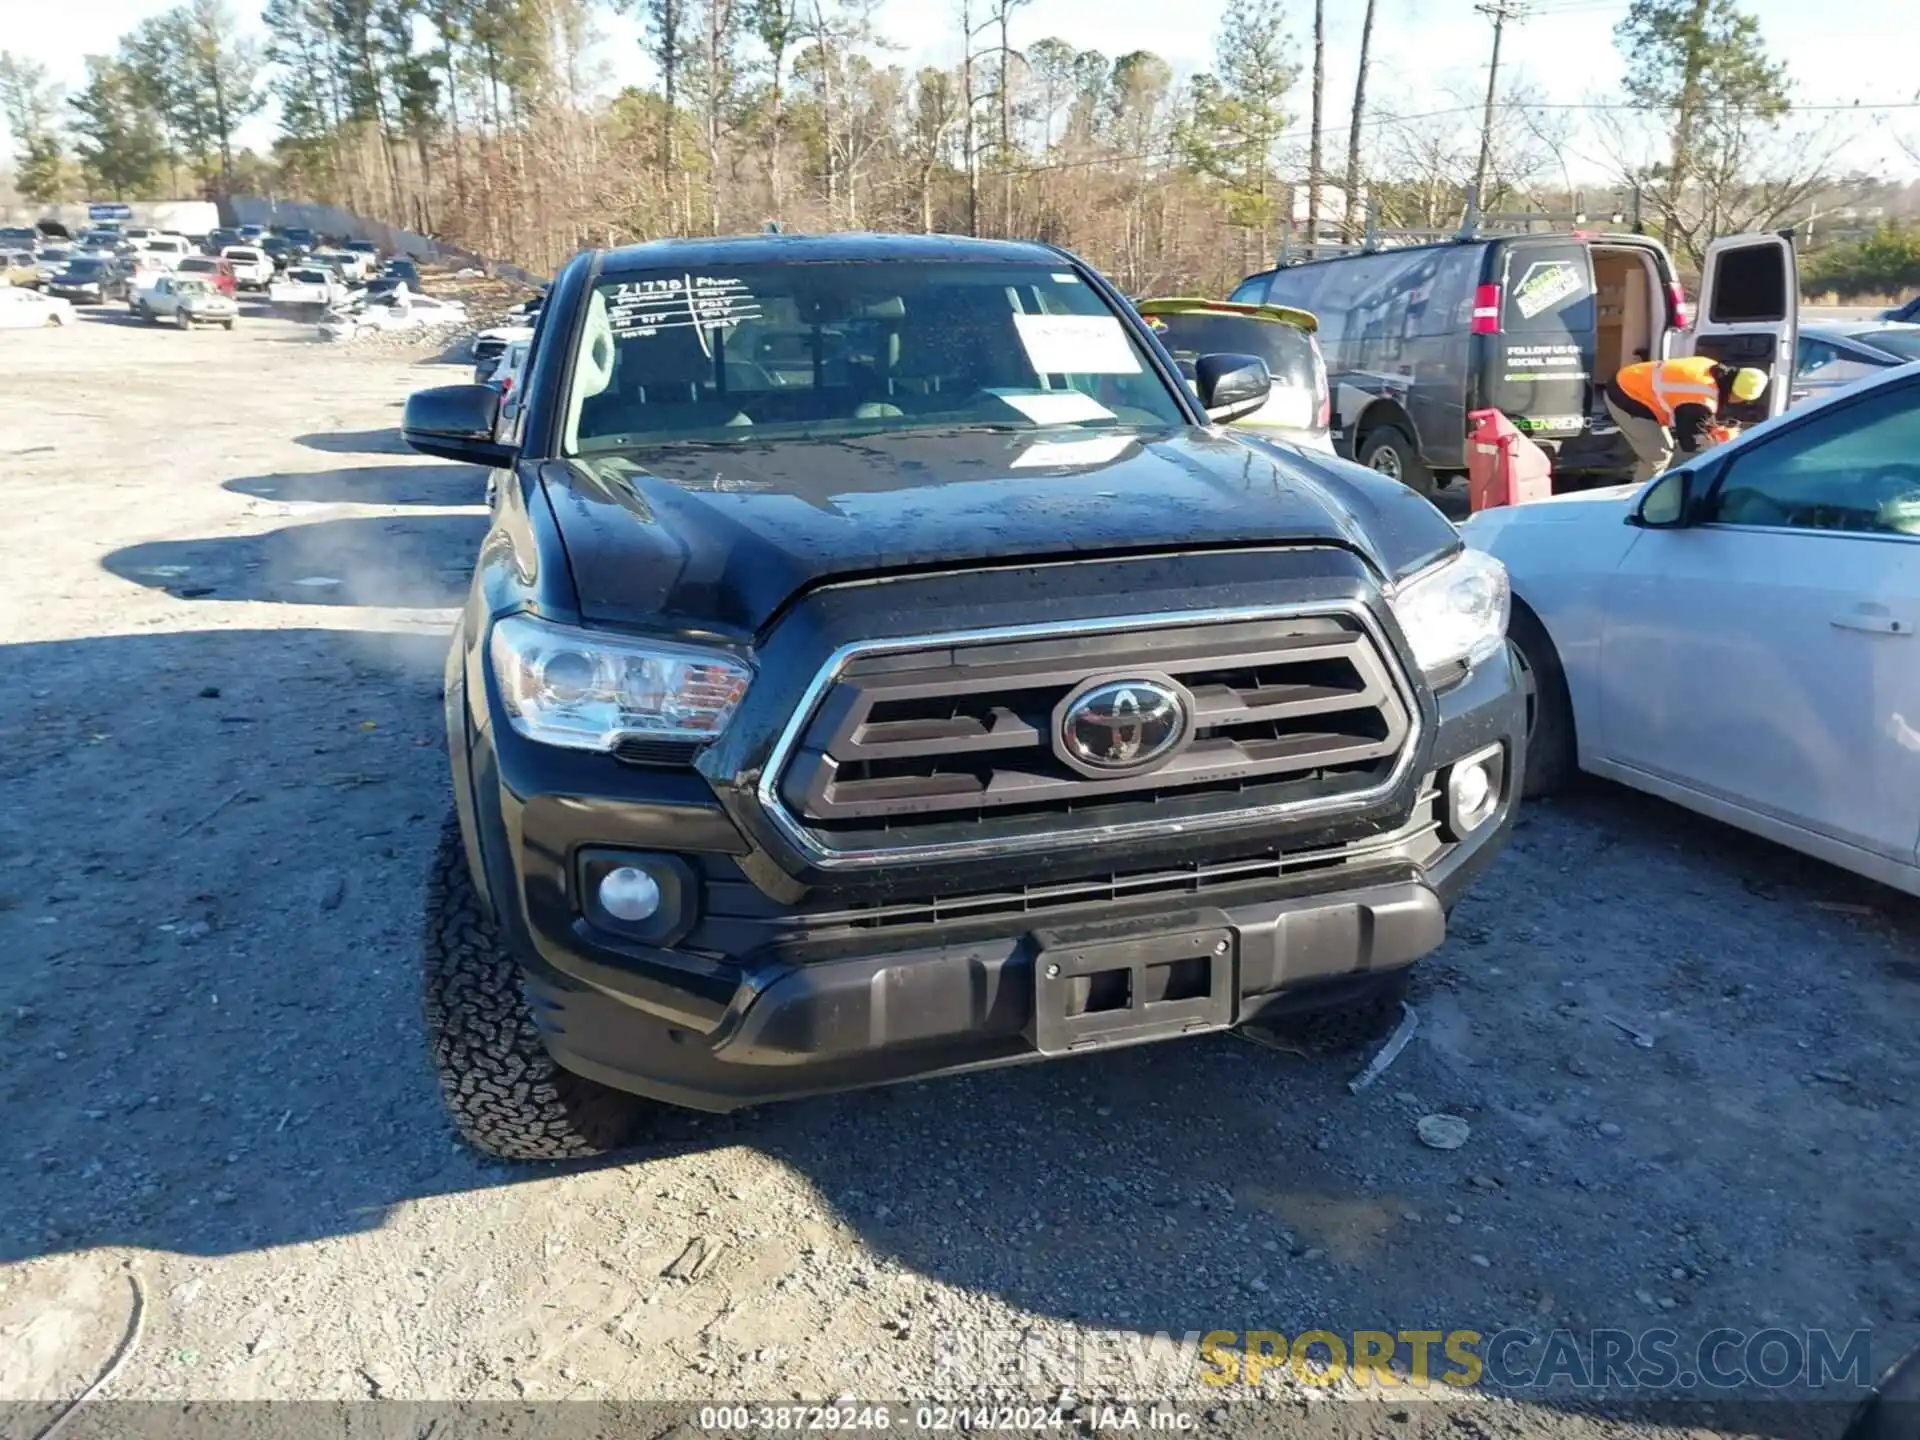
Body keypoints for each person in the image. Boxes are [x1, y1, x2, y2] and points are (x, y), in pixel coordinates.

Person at [1604, 355, 1769, 483]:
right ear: (1736, 394)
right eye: (1743, 400)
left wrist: (1710, 428)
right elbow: (1690, 443)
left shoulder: (1710, 366)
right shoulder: (1701, 399)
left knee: (1663, 447)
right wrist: (1718, 441)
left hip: (1631, 377)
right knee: (1658, 455)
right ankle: (1635, 499)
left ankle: (1640, 468)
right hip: (1626, 396)